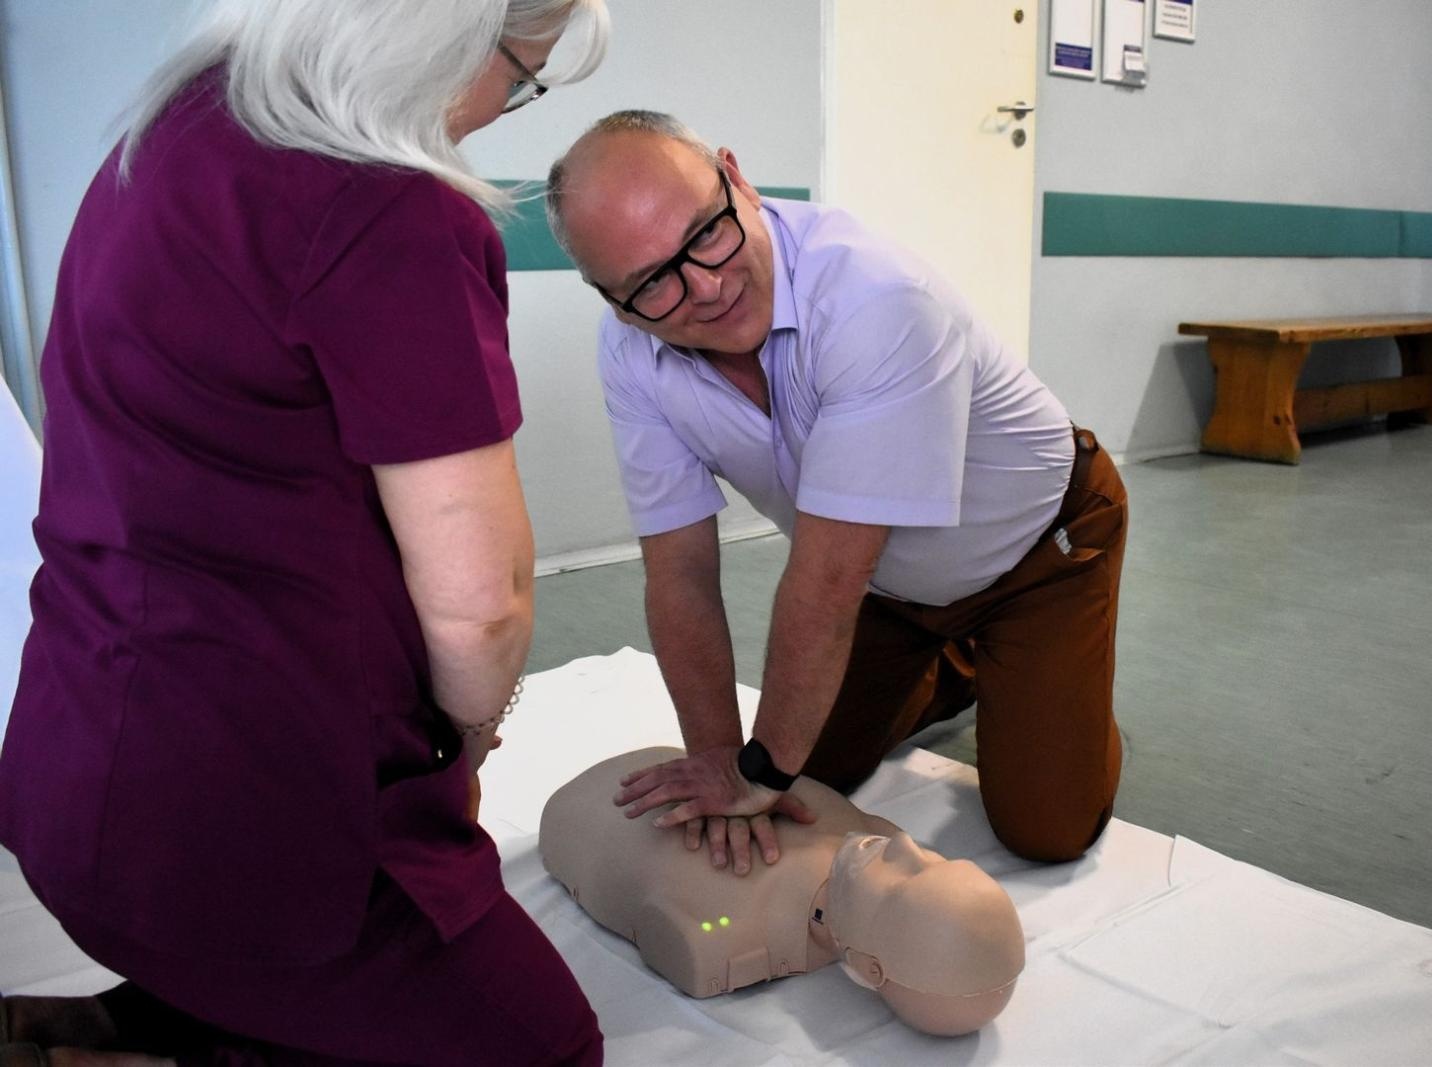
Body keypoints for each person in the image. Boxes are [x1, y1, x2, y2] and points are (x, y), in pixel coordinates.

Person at [0, 2, 608, 1064]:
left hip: (73, 763)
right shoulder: (386, 207)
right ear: (446, 36)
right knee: (543, 1044)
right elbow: (483, 598)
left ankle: (117, 1024)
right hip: (241, 808)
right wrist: (462, 738)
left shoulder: (170, 133)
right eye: (522, 78)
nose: (499, 113)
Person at [543, 111, 1129, 876]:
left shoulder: (876, 299)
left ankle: (1036, 679)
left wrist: (757, 774)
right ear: (612, 300)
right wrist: (725, 761)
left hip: (1037, 553)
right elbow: (680, 571)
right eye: (652, 282)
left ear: (738, 178)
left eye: (708, 233)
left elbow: (825, 583)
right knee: (801, 778)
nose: (707, 286)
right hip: (889, 586)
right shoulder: (630, 352)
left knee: (1046, 828)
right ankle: (955, 665)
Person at [540, 748, 1026, 1036]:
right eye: (934, 858)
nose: (903, 844)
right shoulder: (861, 830)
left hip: (588, 813)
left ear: (867, 967)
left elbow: (677, 933)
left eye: (904, 880)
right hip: (603, 803)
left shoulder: (722, 934)